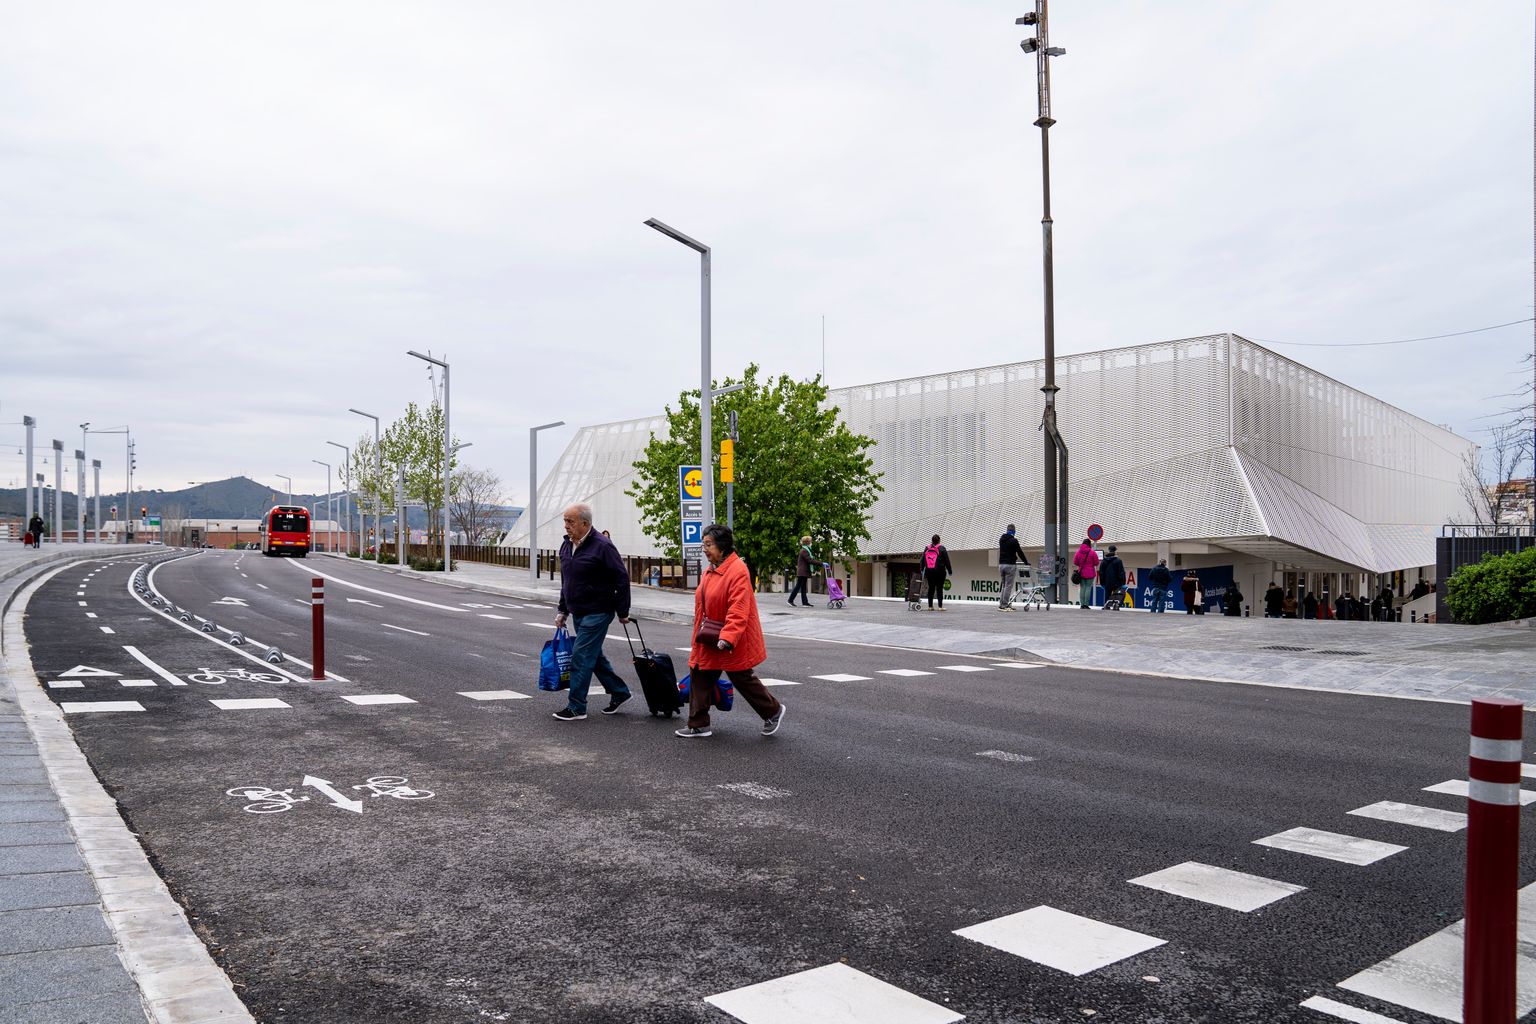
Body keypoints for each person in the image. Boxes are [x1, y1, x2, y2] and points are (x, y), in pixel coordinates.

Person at [676, 524, 786, 740]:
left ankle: (773, 711)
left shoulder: (737, 570)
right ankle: (698, 724)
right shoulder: (712, 567)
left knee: (741, 677)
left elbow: (739, 609)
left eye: (708, 544)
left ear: (723, 545)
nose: (704, 549)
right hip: (709, 635)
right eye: (703, 545)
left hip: (730, 637)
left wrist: (727, 638)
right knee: (699, 672)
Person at [551, 503, 634, 722]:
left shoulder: (602, 546)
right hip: (578, 610)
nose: (566, 526)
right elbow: (567, 581)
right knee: (594, 657)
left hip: (598, 611)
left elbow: (621, 578)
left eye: (571, 522)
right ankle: (620, 692)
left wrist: (623, 610)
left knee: (580, 657)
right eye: (565, 521)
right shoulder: (566, 545)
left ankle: (577, 706)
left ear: (585, 524)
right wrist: (563, 609)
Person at [997, 525, 1026, 611]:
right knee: (1008, 586)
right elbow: (1020, 552)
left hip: (1001, 565)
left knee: (1004, 586)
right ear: (1014, 531)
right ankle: (1005, 605)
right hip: (1010, 565)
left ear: (1007, 530)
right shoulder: (1014, 541)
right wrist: (1026, 562)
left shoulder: (1001, 539)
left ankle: (1002, 604)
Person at [922, 534, 952, 610]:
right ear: (939, 540)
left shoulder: (927, 548)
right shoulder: (942, 548)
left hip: (929, 571)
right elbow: (947, 561)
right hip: (940, 572)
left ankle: (930, 606)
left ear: (932, 540)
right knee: (939, 588)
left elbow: (922, 560)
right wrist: (949, 571)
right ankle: (940, 606)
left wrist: (922, 569)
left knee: (931, 588)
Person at [787, 536, 815, 608]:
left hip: (804, 572)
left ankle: (805, 603)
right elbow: (810, 560)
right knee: (798, 586)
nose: (811, 543)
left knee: (803, 587)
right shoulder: (804, 551)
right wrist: (821, 563)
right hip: (802, 572)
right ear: (807, 542)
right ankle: (790, 600)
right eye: (810, 542)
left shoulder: (806, 550)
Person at [1072, 539, 1099, 609]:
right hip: (1090, 573)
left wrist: (1080, 565)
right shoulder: (1092, 552)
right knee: (1088, 588)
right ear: (1089, 544)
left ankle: (1082, 604)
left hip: (1081, 573)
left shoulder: (1078, 552)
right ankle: (1086, 604)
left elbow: (1075, 562)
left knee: (1082, 588)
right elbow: (1096, 563)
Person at [1098, 544, 1126, 610]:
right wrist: (1123, 581)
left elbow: (1101, 572)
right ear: (1115, 551)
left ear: (1109, 550)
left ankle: (1106, 605)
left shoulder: (1104, 561)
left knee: (1107, 594)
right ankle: (1115, 605)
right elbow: (1121, 572)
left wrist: (1102, 582)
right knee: (1117, 594)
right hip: (1117, 582)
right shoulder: (1118, 561)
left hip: (1107, 582)